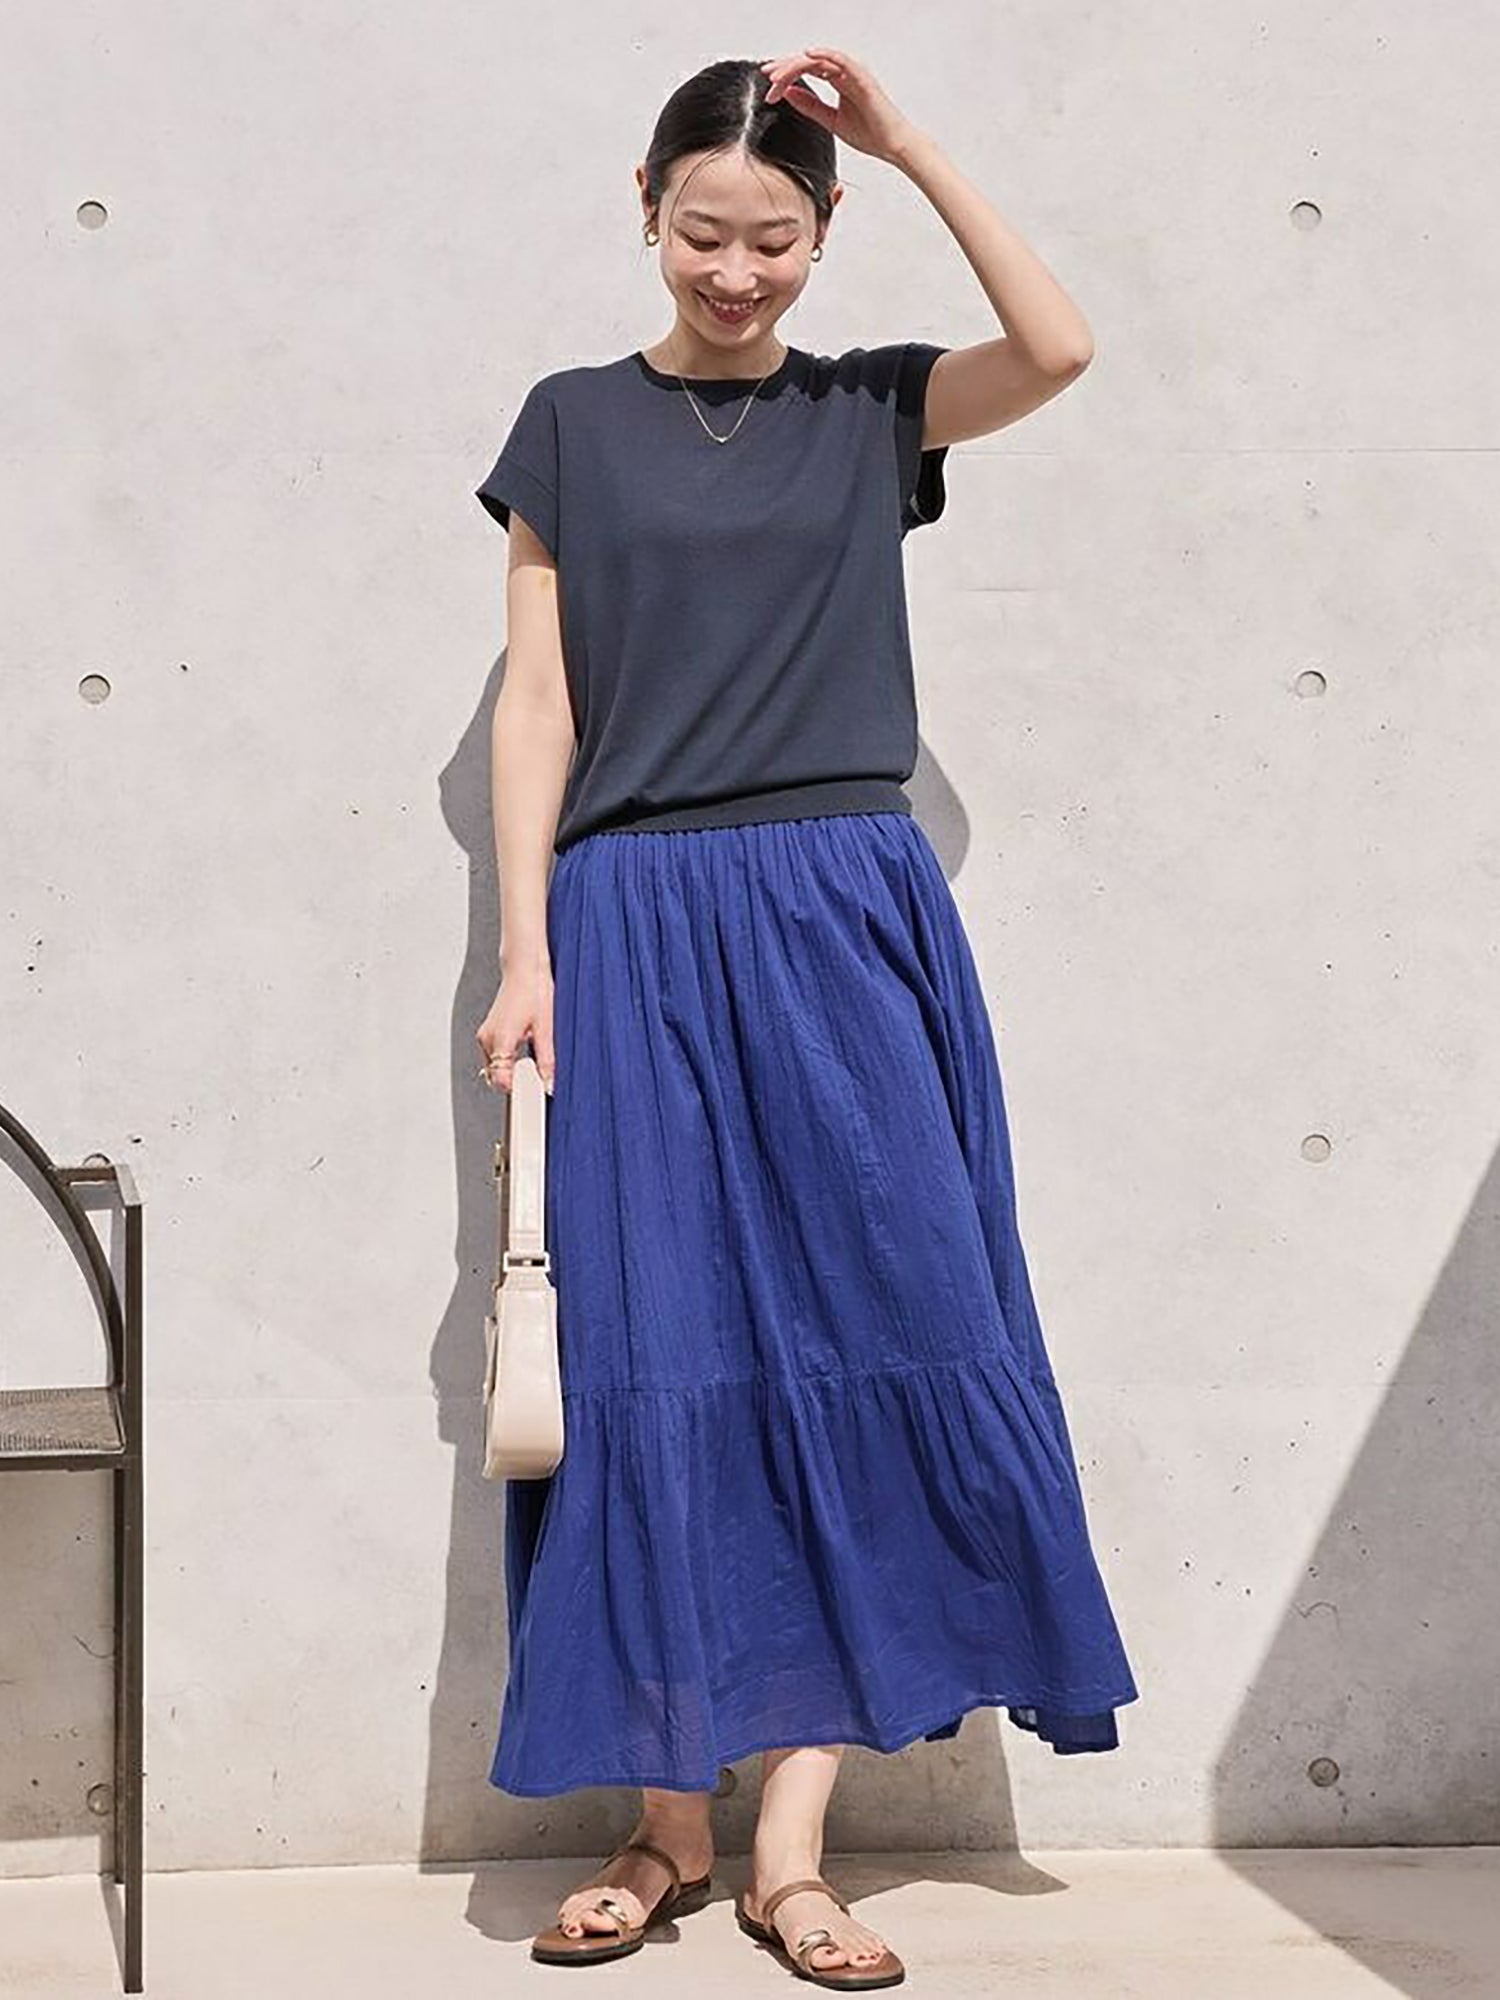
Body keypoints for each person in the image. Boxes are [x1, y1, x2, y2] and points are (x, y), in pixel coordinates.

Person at [473, 45, 1139, 1989]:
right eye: (704, 230)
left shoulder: (871, 410)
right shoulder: (571, 423)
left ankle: (791, 1853)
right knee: (652, 1351)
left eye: (774, 236)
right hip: (634, 915)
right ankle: (664, 1822)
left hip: (843, 909)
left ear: (825, 233)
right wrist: (527, 950)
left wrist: (908, 139)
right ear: (645, 209)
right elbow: (540, 704)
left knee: (874, 1328)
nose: (736, 269)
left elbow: (1063, 347)